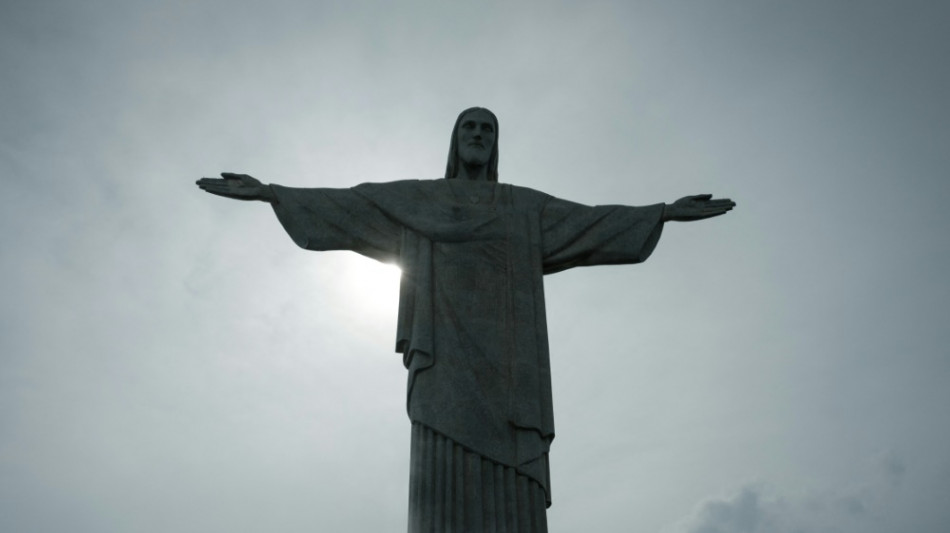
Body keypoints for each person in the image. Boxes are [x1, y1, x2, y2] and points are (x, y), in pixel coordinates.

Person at [196, 107, 735, 532]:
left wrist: (662, 213)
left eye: (487, 129)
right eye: (469, 127)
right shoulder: (420, 200)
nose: (478, 134)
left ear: (496, 144)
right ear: (455, 140)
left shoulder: (524, 208)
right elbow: (354, 206)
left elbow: (589, 222)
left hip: (511, 367)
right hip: (443, 358)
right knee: (441, 468)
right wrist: (271, 193)